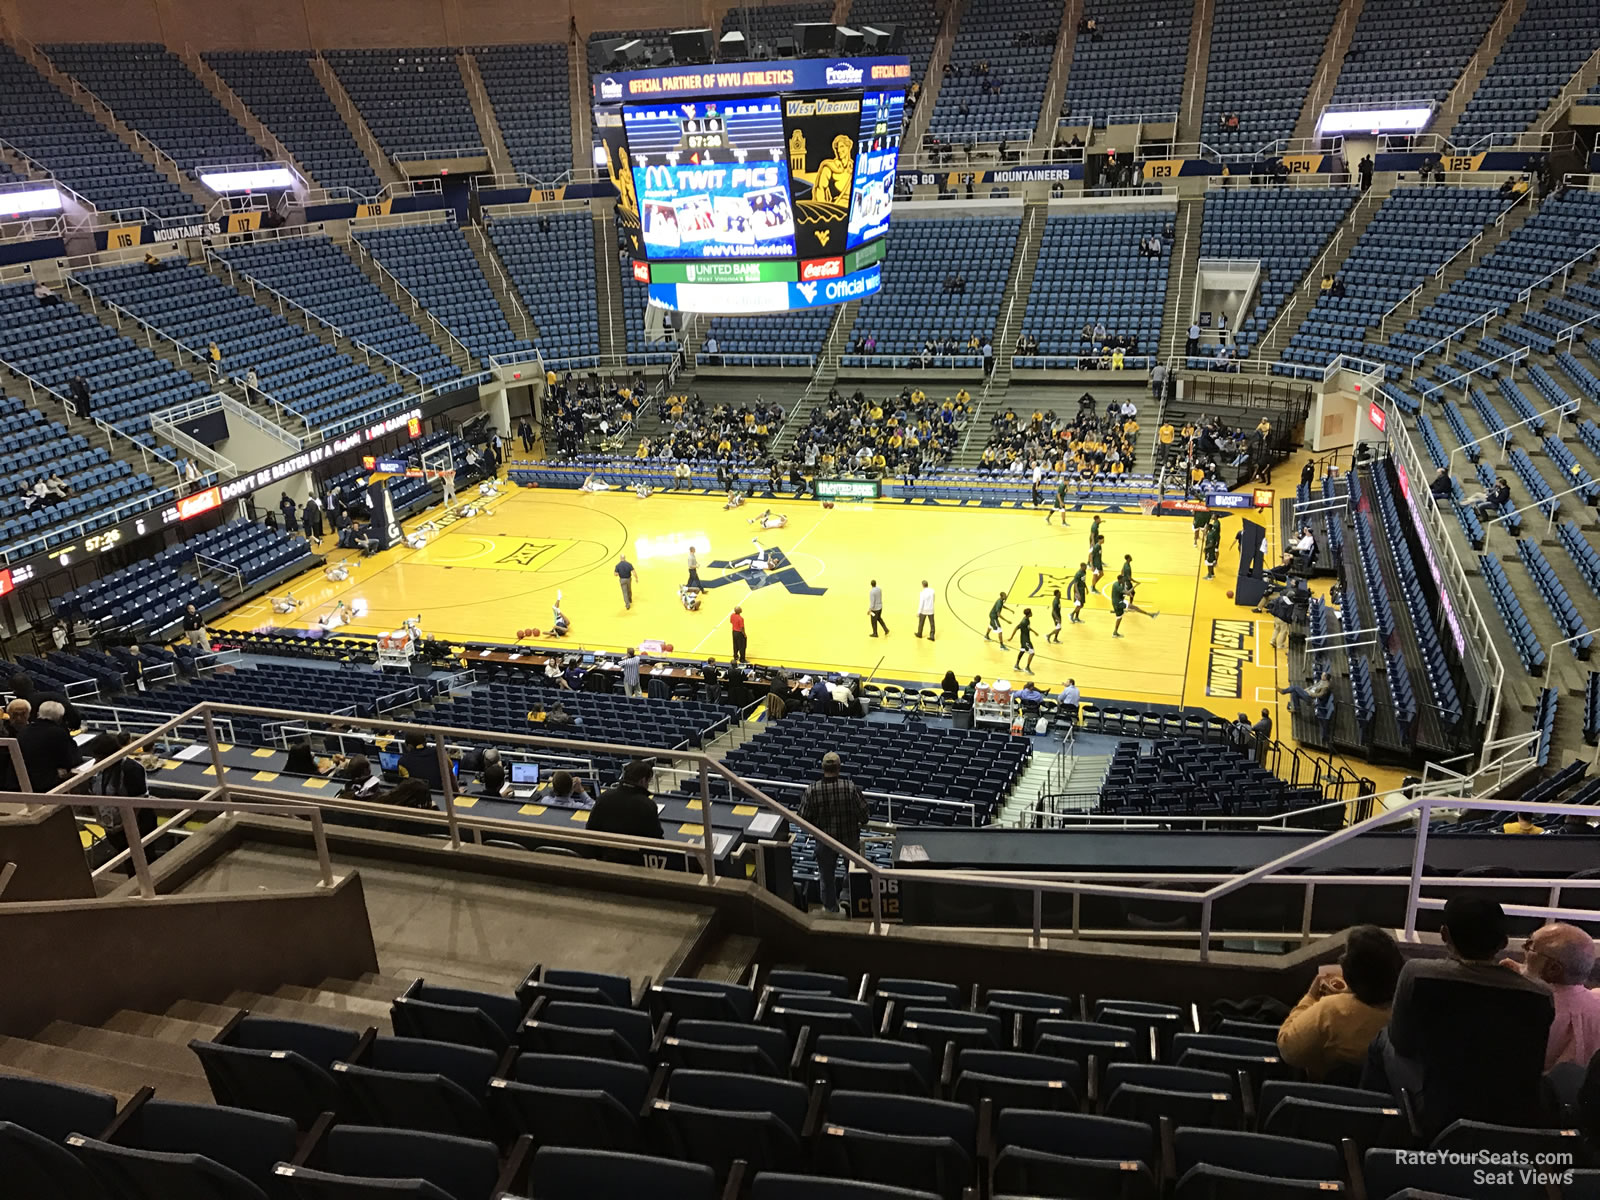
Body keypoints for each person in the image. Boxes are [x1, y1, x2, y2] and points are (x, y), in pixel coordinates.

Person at [1365, 895, 1555, 1135]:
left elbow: (1402, 1044)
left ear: (1444, 934)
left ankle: (1370, 1129)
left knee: (1383, 1039)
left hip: (1438, 1111)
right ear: (1504, 942)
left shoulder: (1417, 973)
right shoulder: (1541, 994)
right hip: (1513, 1116)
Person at [1278, 925, 1403, 1082]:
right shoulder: (1406, 1015)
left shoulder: (1331, 1011)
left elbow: (1287, 1048)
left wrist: (1311, 996)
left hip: (1322, 1096)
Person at [798, 751, 869, 916]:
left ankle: (831, 910)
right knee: (852, 872)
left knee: (826, 878)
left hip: (824, 842)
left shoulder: (812, 790)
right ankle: (847, 897)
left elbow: (802, 820)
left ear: (822, 768)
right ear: (839, 767)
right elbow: (864, 816)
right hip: (850, 840)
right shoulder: (850, 788)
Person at [587, 758, 665, 864]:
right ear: (643, 781)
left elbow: (591, 828)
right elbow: (656, 838)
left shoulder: (604, 797)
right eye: (648, 782)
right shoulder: (647, 805)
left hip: (605, 857)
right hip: (635, 862)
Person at [19, 700, 81, 788]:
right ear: (60, 717)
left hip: (22, 779)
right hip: (47, 782)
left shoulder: (23, 730)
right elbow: (69, 760)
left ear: (38, 713)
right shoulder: (58, 733)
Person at [1012, 607, 1036, 673]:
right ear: (1029, 614)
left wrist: (1034, 632)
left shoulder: (1027, 619)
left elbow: (1028, 628)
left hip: (1024, 639)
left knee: (1022, 651)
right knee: (1032, 653)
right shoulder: (1024, 621)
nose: (1032, 613)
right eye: (1031, 612)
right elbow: (1016, 628)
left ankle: (1016, 665)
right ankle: (1027, 668)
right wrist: (1011, 637)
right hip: (1025, 640)